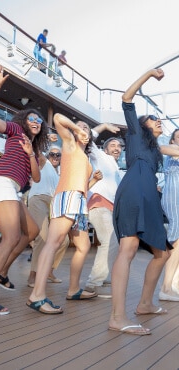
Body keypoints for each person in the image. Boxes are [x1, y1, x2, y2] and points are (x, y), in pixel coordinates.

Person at [0, 65, 48, 315]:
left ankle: (2, 272)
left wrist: (30, 154)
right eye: (32, 118)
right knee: (11, 238)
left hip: (13, 189)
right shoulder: (15, 131)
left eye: (39, 120)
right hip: (0, 181)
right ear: (24, 122)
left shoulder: (35, 150)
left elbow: (35, 178)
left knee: (33, 231)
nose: (36, 121)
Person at [109, 68, 173, 336]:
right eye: (154, 119)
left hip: (149, 197)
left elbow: (176, 150)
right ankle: (117, 317)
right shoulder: (135, 134)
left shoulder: (156, 150)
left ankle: (145, 303)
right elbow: (126, 98)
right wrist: (148, 74)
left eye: (160, 120)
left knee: (163, 252)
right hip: (134, 191)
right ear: (144, 124)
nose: (159, 122)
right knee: (129, 248)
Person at [27, 114, 101, 314]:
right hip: (68, 196)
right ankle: (37, 295)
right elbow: (58, 118)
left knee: (83, 245)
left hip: (79, 201)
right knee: (53, 243)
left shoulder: (85, 157)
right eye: (78, 126)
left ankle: (74, 289)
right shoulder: (70, 143)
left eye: (85, 127)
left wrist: (93, 181)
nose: (81, 128)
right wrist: (76, 130)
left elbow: (82, 184)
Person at [85, 127, 125, 298]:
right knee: (109, 240)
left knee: (113, 242)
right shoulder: (100, 156)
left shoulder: (117, 170)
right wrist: (104, 126)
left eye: (119, 146)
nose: (117, 148)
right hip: (98, 203)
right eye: (113, 145)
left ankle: (103, 276)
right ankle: (93, 283)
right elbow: (88, 137)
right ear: (105, 148)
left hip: (111, 208)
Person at [27, 145, 70, 288]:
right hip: (39, 198)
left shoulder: (61, 174)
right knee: (43, 236)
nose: (55, 157)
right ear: (47, 155)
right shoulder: (44, 163)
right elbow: (34, 148)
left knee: (64, 240)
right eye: (52, 154)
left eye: (58, 155)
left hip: (54, 203)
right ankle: (33, 275)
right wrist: (44, 140)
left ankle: (49, 271)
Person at [160, 128, 179, 301]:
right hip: (174, 200)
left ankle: (173, 285)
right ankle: (166, 287)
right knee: (175, 241)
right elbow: (162, 147)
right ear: (173, 140)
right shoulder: (172, 151)